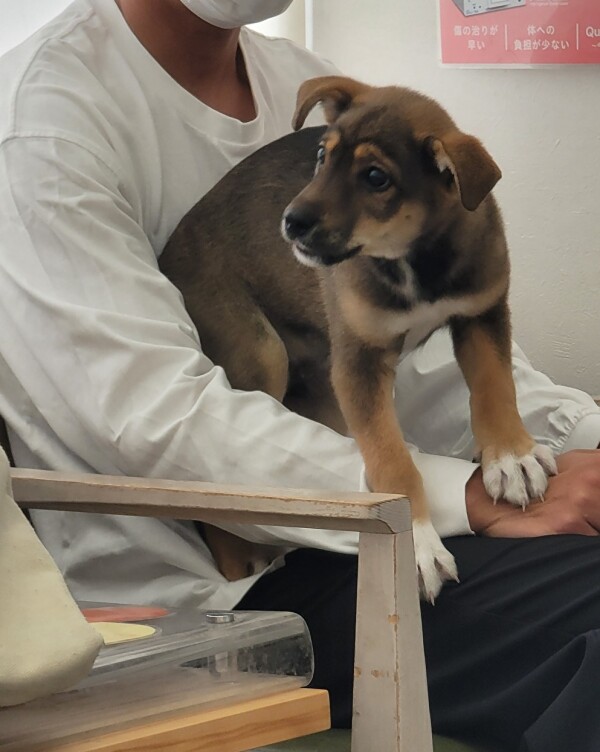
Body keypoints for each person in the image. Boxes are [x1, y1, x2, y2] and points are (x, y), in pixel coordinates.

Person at [0, 1, 599, 749]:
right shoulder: (43, 122)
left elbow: (420, 347)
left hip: (372, 530)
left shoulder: (306, 84)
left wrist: (575, 442)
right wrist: (468, 496)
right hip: (212, 597)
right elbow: (151, 420)